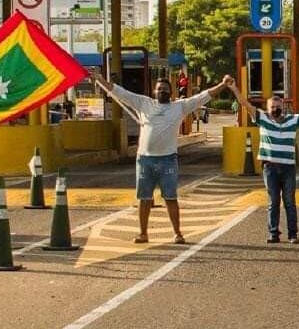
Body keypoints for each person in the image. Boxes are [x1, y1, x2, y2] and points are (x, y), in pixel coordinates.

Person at [93, 74, 229, 244]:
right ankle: (143, 234)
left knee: (170, 198)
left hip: (168, 160)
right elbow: (119, 92)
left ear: (171, 92)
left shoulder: (179, 107)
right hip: (145, 160)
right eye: (159, 89)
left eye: (165, 89)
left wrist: (223, 84)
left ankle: (178, 233)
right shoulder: (143, 103)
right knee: (144, 199)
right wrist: (100, 79)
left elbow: (203, 96)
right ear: (154, 91)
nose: (162, 91)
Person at [229, 82, 299, 244]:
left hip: (288, 167)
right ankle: (273, 233)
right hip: (270, 167)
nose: (275, 109)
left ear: (283, 107)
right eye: (272, 107)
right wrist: (234, 88)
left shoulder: (292, 120)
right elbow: (245, 104)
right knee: (273, 202)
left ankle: (293, 234)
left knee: (289, 201)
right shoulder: (262, 119)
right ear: (267, 109)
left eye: (278, 107)